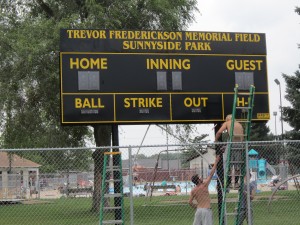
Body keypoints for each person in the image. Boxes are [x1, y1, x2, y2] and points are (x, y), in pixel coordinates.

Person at [189, 155, 221, 225]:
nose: (201, 177)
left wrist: (196, 207)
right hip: (206, 210)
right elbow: (211, 174)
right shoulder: (204, 185)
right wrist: (216, 162)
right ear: (198, 180)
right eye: (199, 177)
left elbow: (190, 202)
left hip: (199, 210)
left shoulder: (193, 190)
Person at [215, 114, 244, 188]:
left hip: (231, 143)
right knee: (237, 164)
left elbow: (219, 132)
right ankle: (236, 183)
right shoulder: (239, 124)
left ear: (227, 119)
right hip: (240, 145)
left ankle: (227, 183)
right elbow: (243, 136)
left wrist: (215, 140)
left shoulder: (227, 123)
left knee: (228, 163)